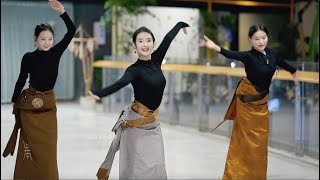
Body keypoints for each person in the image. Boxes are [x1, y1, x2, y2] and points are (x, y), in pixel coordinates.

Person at [88, 22, 189, 179]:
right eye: (140, 41)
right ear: (134, 45)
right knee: (137, 168)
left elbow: (168, 39)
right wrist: (100, 94)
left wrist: (180, 25)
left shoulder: (156, 60)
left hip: (154, 124)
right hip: (136, 124)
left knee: (157, 165)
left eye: (148, 40)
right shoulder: (133, 70)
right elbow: (120, 83)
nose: (145, 44)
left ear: (153, 44)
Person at [200, 24, 298, 180]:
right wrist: (213, 46)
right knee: (246, 143)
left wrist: (293, 71)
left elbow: (283, 63)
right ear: (250, 40)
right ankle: (238, 175)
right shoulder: (248, 56)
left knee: (260, 143)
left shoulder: (271, 54)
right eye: (257, 38)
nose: (261, 41)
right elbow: (229, 53)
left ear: (268, 37)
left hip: (262, 105)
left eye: (264, 38)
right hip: (247, 106)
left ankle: (256, 176)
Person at [2, 0, 76, 179]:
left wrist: (62, 12)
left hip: (49, 106)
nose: (47, 42)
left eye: (50, 39)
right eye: (43, 39)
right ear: (35, 39)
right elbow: (22, 78)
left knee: (48, 150)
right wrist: (14, 99)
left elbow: (71, 30)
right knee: (29, 148)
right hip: (30, 107)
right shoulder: (28, 57)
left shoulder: (56, 52)